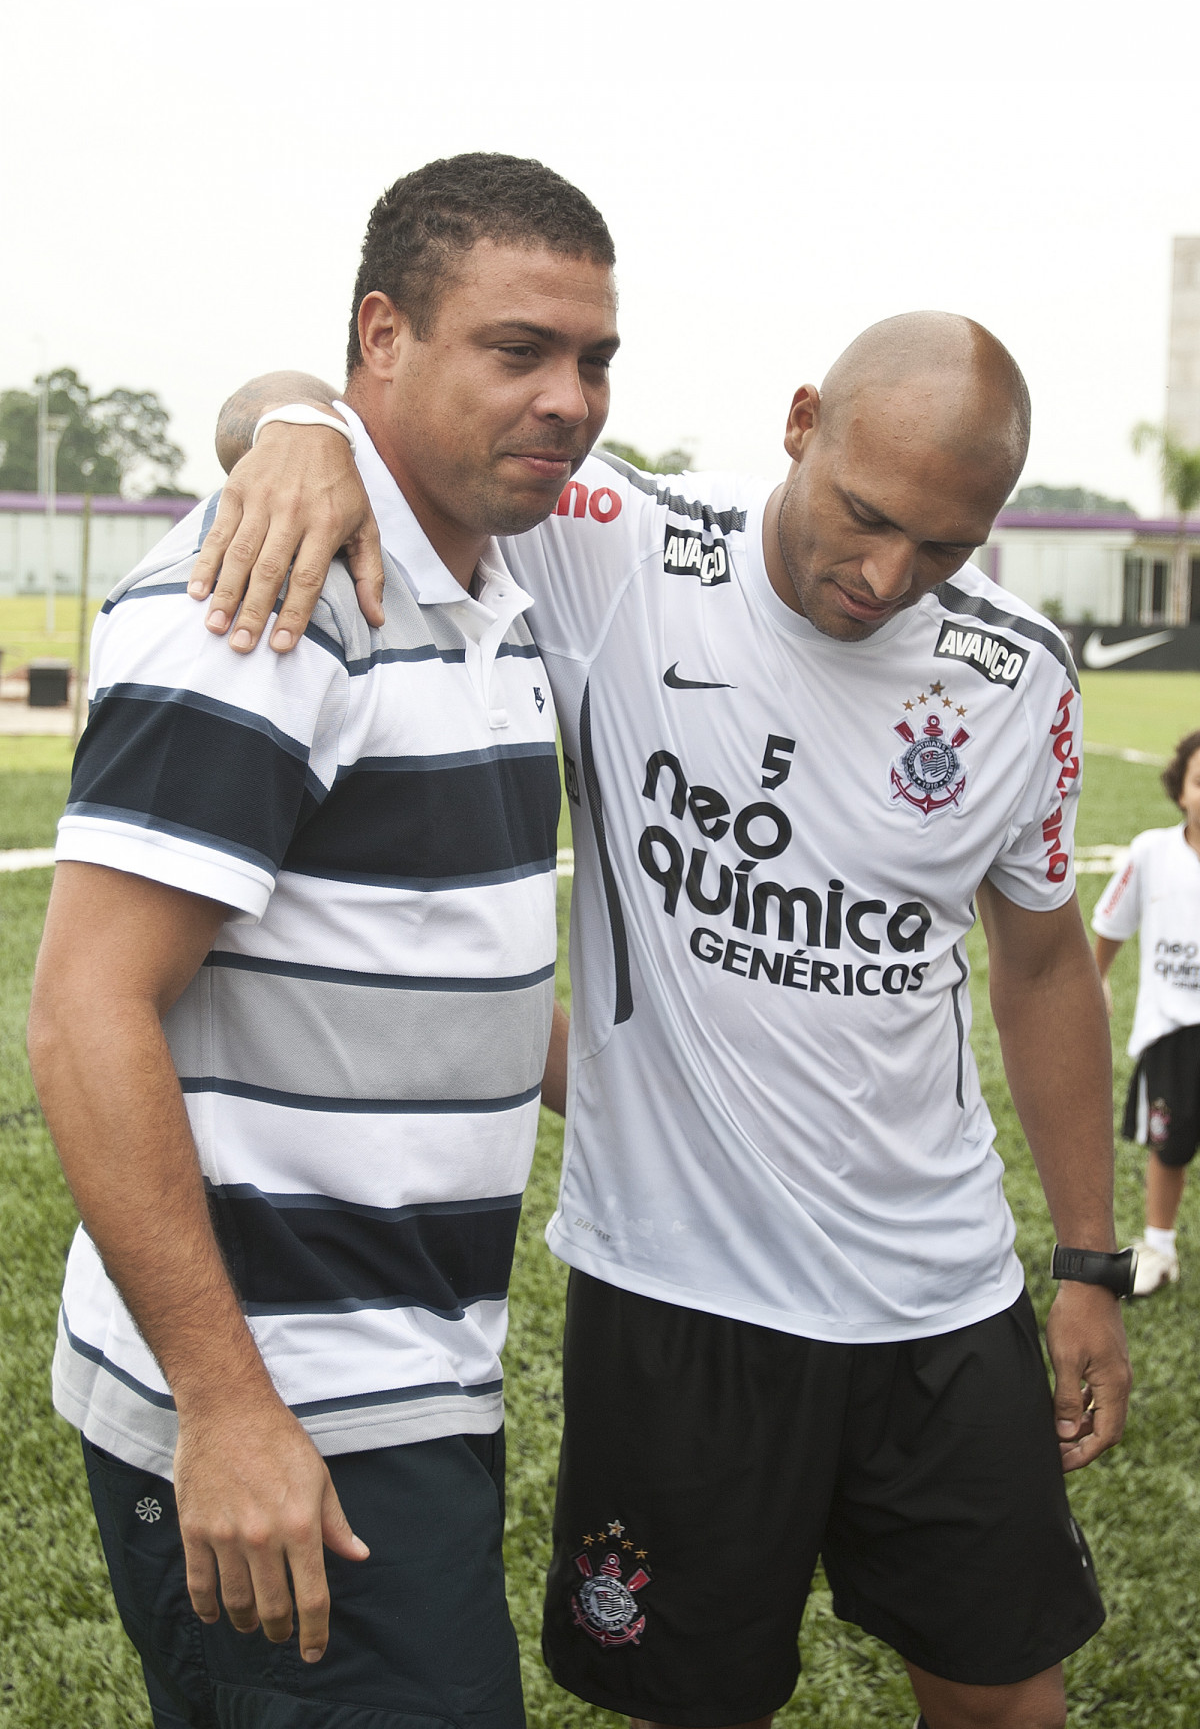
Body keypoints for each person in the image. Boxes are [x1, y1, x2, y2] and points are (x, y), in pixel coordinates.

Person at [197, 309, 1133, 1729]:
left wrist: (1088, 1262)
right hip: (679, 1301)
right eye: (868, 518)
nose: (889, 578)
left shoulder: (1016, 678)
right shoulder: (616, 545)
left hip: (943, 1300)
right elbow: (350, 420)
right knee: (695, 1706)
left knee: (1009, 1699)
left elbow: (1049, 966)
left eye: (945, 548)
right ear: (801, 420)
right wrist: (298, 429)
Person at [26, 152, 620, 1729]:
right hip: (287, 1402)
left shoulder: (500, 589)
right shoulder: (267, 598)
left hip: (409, 1364)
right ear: (383, 339)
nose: (568, 397)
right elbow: (86, 1012)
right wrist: (227, 1411)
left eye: (594, 358)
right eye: (517, 349)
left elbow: (428, 956)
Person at [1093, 728, 1200, 1295]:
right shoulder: (1152, 853)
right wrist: (1099, 979)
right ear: (1181, 789)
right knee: (1170, 1142)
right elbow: (1110, 923)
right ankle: (1159, 1247)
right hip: (1174, 1029)